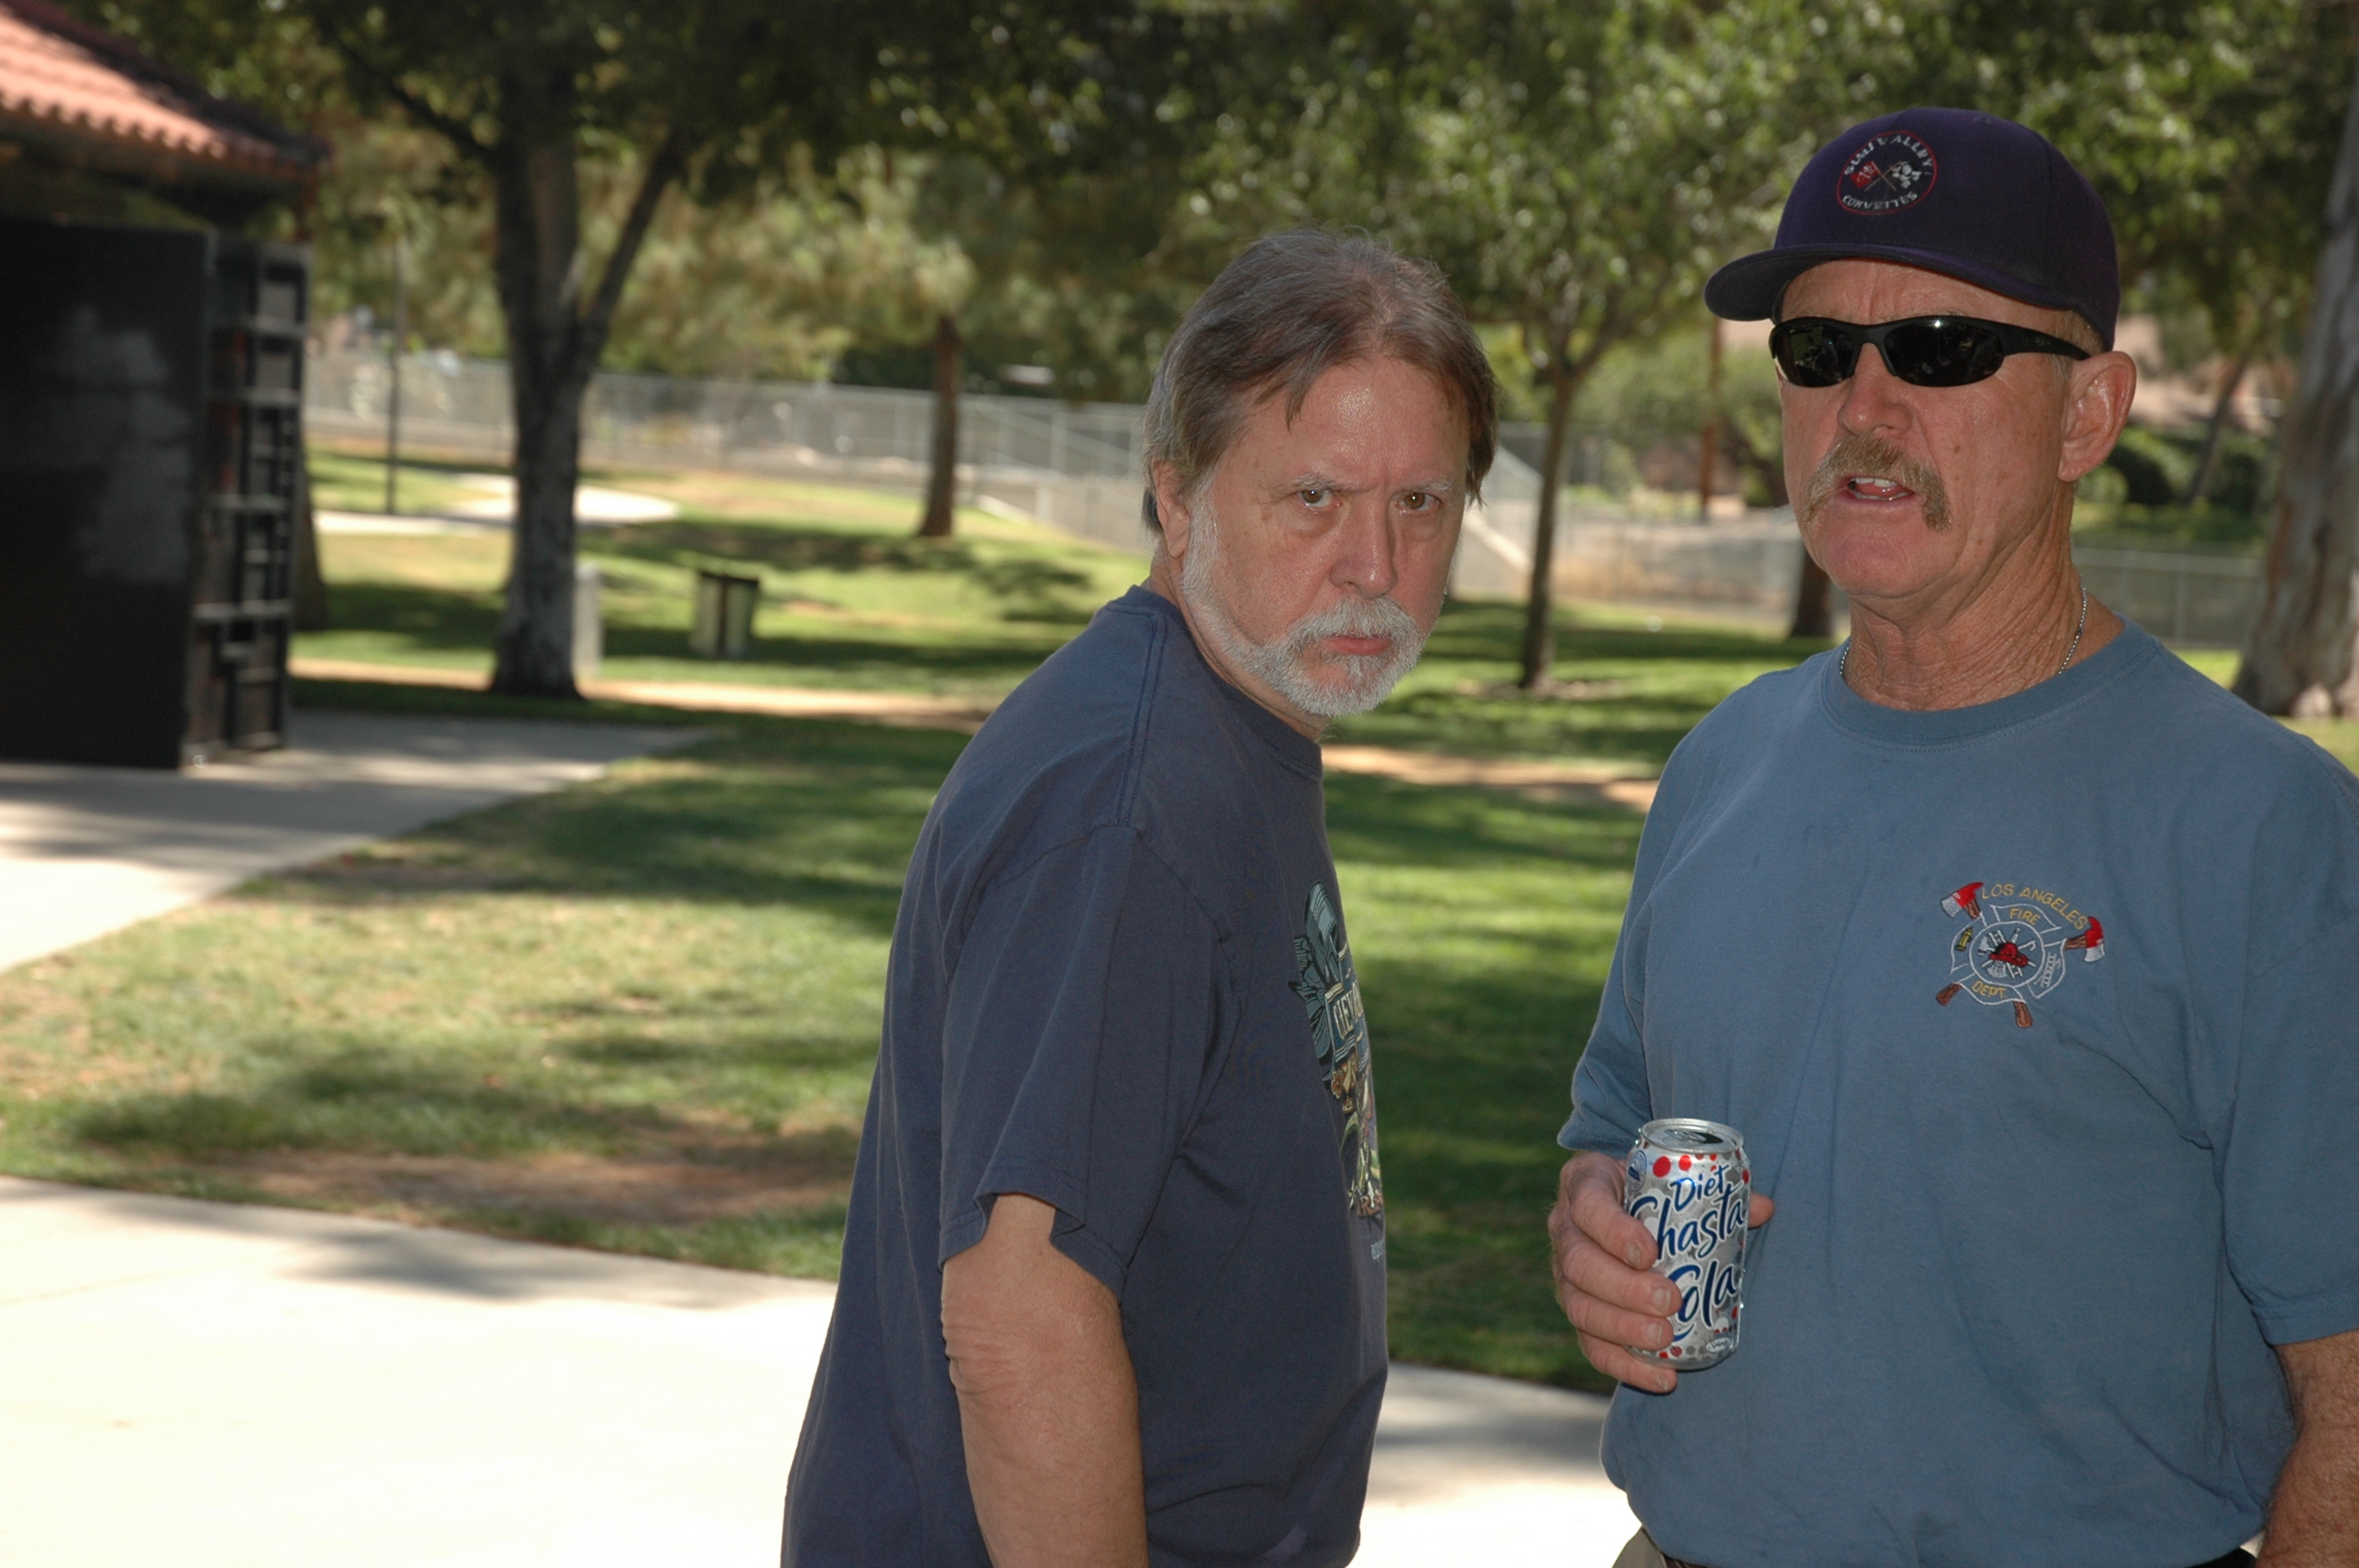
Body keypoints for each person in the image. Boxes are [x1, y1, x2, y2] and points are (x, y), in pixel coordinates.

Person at [1550, 107, 2359, 1568]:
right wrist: (1592, 1226)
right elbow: (1612, 1125)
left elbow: (2351, 1403)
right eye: (1816, 353)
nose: (1864, 407)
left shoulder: (2262, 827)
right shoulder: (1720, 761)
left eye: (1937, 349)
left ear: (2090, 416)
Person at [781, 230, 1498, 1568]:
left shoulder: (1226, 730)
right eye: (1313, 498)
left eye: (1422, 504)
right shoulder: (1131, 810)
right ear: (1177, 499)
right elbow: (1018, 1322)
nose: (1373, 564)